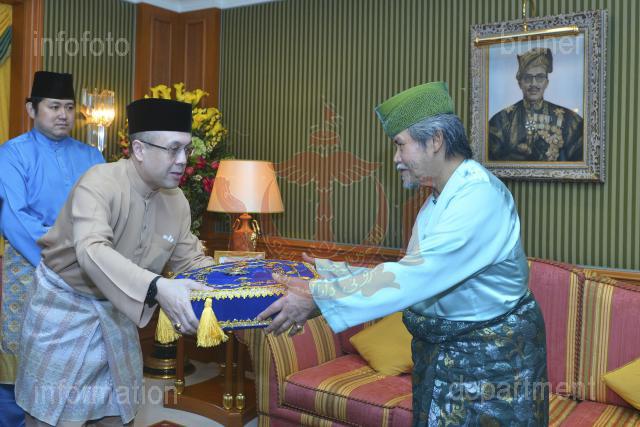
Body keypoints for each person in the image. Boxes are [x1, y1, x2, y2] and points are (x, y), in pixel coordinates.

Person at [259, 82, 549, 426]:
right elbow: (414, 273)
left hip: (489, 366)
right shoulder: (438, 199)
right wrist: (332, 274)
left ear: (436, 140)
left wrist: (320, 296)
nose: (395, 159)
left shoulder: (478, 197)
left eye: (400, 145)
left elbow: (418, 275)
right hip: (443, 359)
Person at [14, 98, 214, 426]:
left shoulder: (176, 201)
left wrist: (242, 283)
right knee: (51, 414)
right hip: (63, 312)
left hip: (118, 316)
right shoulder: (100, 182)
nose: (182, 161)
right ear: (139, 149)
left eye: (187, 150)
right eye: (173, 149)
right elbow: (91, 250)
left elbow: (189, 260)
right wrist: (156, 287)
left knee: (117, 413)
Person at [0, 71, 104, 427]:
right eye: (54, 106)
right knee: (21, 355)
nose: (63, 115)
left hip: (84, 268)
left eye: (69, 107)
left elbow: (107, 212)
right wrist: (65, 254)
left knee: (79, 358)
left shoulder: (91, 156)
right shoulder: (12, 154)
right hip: (30, 266)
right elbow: (15, 219)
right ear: (32, 109)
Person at [488, 47, 583, 161]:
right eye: (527, 78)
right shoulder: (502, 120)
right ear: (520, 83)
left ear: (546, 83)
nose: (533, 84)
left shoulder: (569, 120)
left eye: (540, 77)